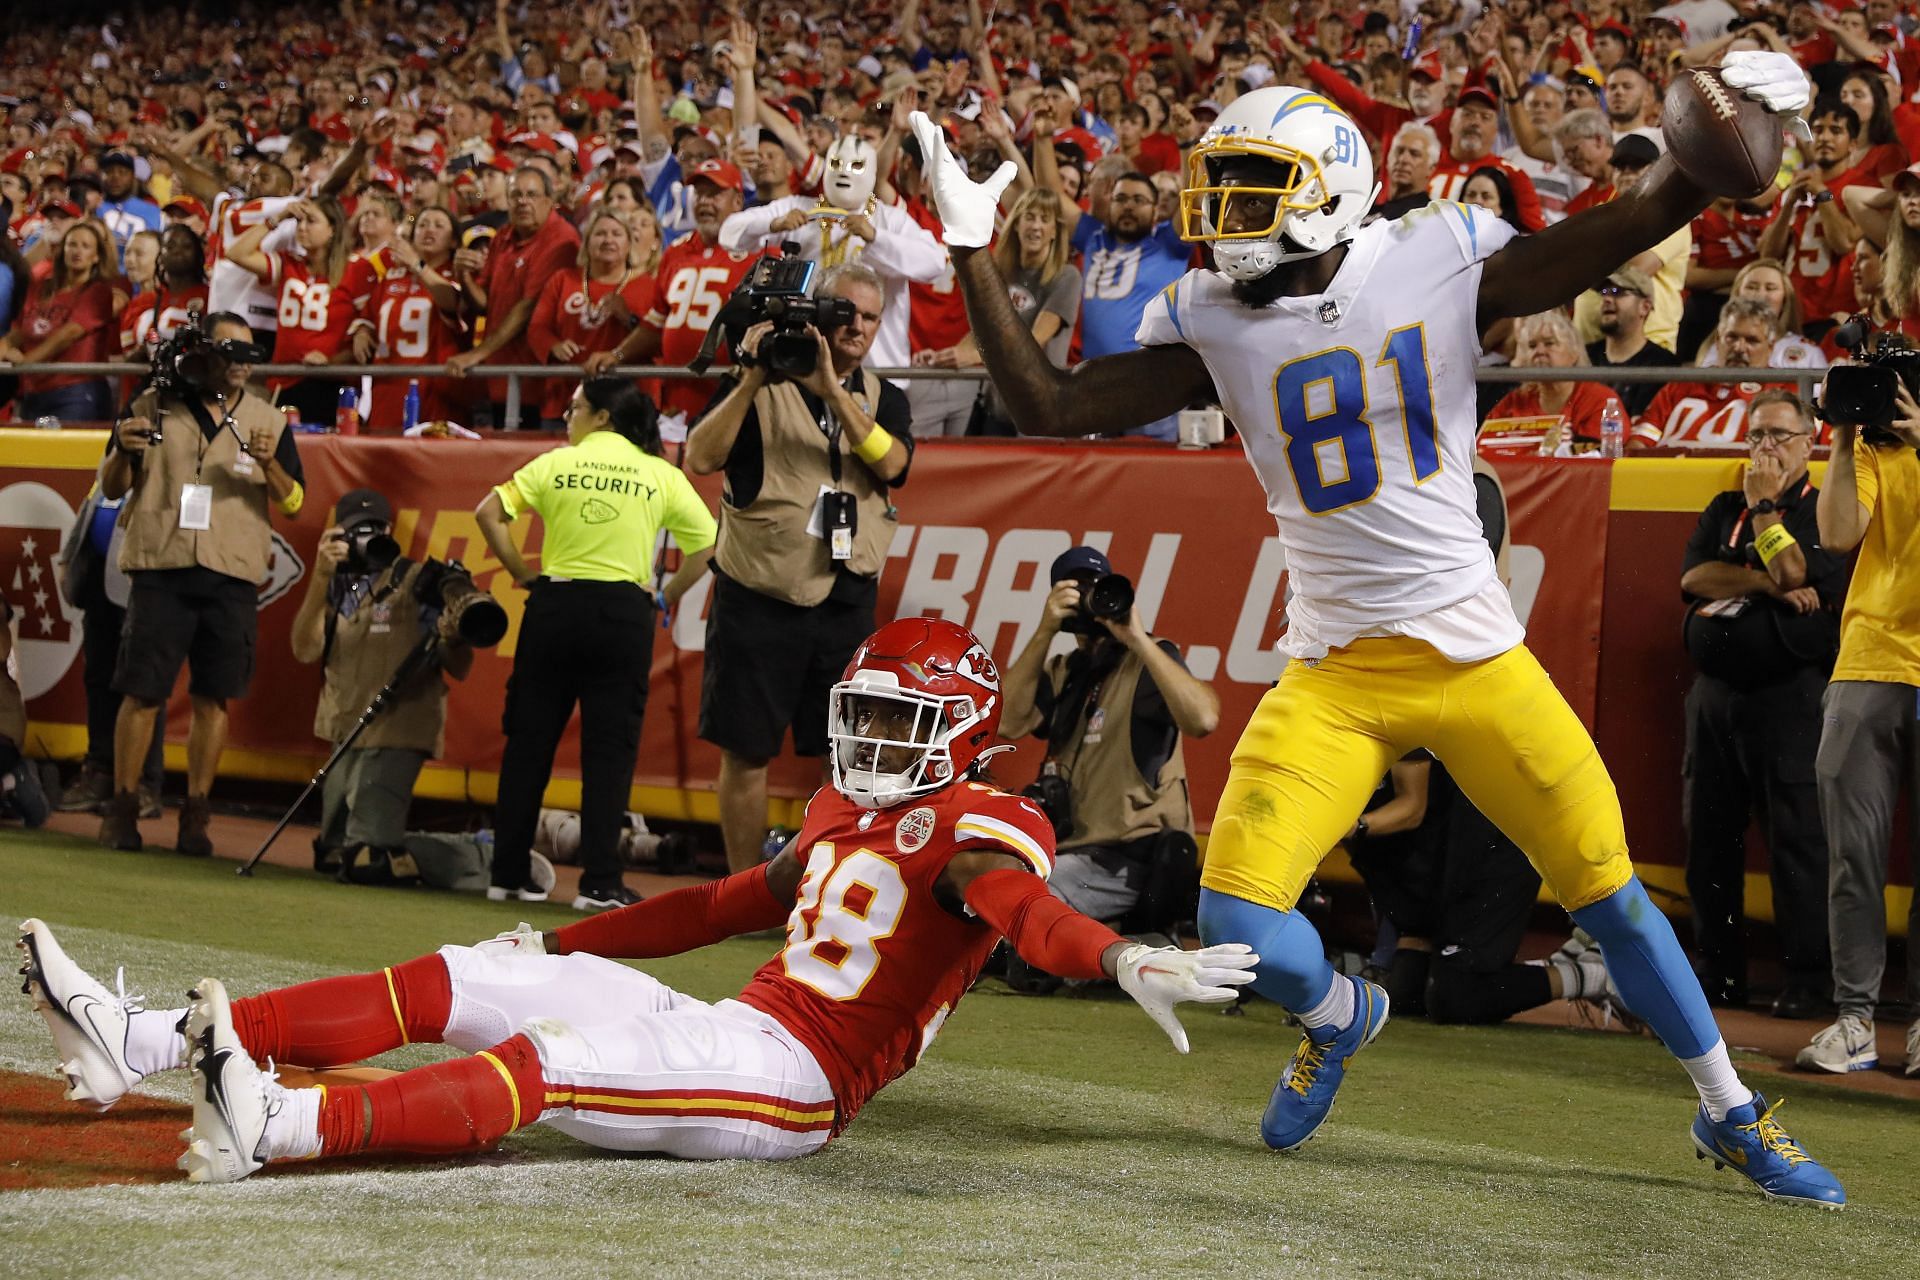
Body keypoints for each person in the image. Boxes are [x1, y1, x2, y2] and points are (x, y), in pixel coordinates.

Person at [916, 59, 1848, 1207]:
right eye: (1220, 186)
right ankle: (1338, 1011)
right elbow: (1049, 407)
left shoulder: (1435, 253)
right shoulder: (1210, 311)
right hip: (1337, 672)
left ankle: (1731, 1112)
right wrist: (969, 246)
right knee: (1234, 921)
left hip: (1475, 656)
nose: (1219, 214)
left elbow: (1637, 220)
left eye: (1253, 186)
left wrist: (1731, 138)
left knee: (1611, 892)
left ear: (1330, 190)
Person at [17, 618, 1256, 1181]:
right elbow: (712, 904)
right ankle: (133, 1045)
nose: (871, 739)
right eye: (861, 715)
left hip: (795, 1087)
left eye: (898, 721)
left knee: (553, 1054)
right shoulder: (840, 811)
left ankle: (281, 1128)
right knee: (483, 973)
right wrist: (562, 936)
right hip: (748, 1019)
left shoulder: (989, 828)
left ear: (961, 731)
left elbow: (1019, 907)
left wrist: (1115, 957)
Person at [685, 262, 910, 875]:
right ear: (814, 314)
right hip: (758, 593)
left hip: (844, 598)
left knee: (841, 759)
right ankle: (740, 890)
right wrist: (755, 375)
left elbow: (892, 466)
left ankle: (824, 886)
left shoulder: (885, 397)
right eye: (845, 312)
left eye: (869, 317)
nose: (856, 327)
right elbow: (699, 456)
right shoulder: (758, 386)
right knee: (746, 751)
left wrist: (834, 390)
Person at [475, 377, 715, 910]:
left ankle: (507, 874)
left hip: (554, 607)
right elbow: (708, 544)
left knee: (527, 746)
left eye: (576, 406)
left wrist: (520, 572)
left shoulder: (554, 464)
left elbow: (486, 513)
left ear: (603, 417)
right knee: (609, 753)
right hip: (622, 613)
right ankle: (599, 882)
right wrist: (665, 595)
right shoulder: (659, 473)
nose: (567, 414)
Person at [96, 312, 304, 857]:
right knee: (142, 691)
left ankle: (197, 815)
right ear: (203, 351)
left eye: (248, 354)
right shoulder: (151, 404)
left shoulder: (268, 419)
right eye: (229, 352)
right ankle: (122, 807)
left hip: (230, 569)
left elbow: (295, 499)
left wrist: (268, 466)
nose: (240, 364)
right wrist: (122, 447)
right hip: (162, 563)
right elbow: (112, 488)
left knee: (215, 698)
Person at [1679, 391, 1843, 1018]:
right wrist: (1761, 580)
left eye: (1778, 436)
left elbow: (1799, 571)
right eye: (1755, 437)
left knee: (1798, 840)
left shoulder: (1820, 508)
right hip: (1716, 696)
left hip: (1790, 694)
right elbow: (1694, 580)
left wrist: (1767, 513)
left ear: (1810, 443)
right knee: (1709, 839)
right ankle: (1718, 977)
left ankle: (1808, 981)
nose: (1764, 449)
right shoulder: (1724, 507)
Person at [999, 547, 1220, 965]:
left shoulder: (1148, 662)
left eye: (1093, 588)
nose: (1085, 599)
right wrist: (1044, 631)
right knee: (999, 884)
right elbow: (1007, 724)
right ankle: (1109, 946)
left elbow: (1204, 719)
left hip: (1130, 858)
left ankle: (1102, 945)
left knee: (1024, 896)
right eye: (1072, 589)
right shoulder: (1065, 670)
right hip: (1068, 855)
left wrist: (1136, 636)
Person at [1802, 371, 1920, 1080]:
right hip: (1870, 659)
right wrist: (1843, 434)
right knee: (1853, 855)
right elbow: (1838, 533)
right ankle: (1856, 1019)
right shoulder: (1872, 446)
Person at [289, 488, 476, 884]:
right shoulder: (335, 584)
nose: (365, 540)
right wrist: (321, 576)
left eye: (374, 530)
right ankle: (403, 847)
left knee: (368, 858)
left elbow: (459, 666)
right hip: (346, 731)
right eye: (354, 532)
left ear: (390, 530)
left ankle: (480, 856)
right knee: (333, 853)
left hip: (396, 729)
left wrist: (451, 634)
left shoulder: (419, 581)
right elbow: (304, 650)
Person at [718, 133, 946, 377]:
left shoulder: (890, 219)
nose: (845, 173)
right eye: (836, 164)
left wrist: (875, 237)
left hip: (877, 365)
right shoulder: (800, 207)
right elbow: (729, 233)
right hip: (805, 361)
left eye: (856, 166)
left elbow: (933, 263)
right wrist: (774, 224)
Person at [583, 158, 760, 436]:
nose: (704, 202)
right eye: (700, 194)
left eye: (715, 194)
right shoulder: (676, 252)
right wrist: (618, 354)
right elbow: (657, 324)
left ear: (737, 201)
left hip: (732, 396)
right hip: (677, 400)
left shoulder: (759, 253)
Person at [448, 166, 581, 429]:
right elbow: (485, 302)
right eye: (516, 195)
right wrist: (463, 276)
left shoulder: (561, 240)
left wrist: (477, 354)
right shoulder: (504, 236)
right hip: (500, 375)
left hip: (540, 383)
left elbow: (528, 308)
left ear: (549, 200)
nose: (523, 202)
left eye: (532, 195)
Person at [946, 186, 1082, 438]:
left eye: (1045, 219)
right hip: (996, 406)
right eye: (1029, 217)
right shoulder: (999, 273)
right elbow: (980, 331)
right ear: (1016, 224)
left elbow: (1035, 340)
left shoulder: (1067, 277)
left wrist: (975, 356)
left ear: (1055, 231)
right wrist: (946, 356)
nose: (1036, 226)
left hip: (1042, 410)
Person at [224, 197, 356, 427]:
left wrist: (332, 361)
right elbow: (236, 253)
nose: (302, 227)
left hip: (327, 382)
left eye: (311, 221)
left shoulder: (354, 270)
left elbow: (364, 333)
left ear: (332, 229)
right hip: (283, 380)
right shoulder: (289, 264)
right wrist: (276, 219)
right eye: (299, 221)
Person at [527, 209, 657, 427]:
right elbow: (537, 327)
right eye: (600, 234)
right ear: (586, 242)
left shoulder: (648, 286)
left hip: (624, 402)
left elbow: (655, 339)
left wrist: (628, 318)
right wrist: (553, 345)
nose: (608, 240)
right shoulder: (563, 279)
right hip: (564, 398)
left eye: (616, 234)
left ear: (628, 244)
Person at [353, 206, 467, 431]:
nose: (428, 230)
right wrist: (362, 331)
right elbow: (370, 315)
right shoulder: (392, 276)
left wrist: (417, 265)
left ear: (453, 241)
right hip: (387, 387)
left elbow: (452, 302)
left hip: (434, 390)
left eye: (438, 225)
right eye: (422, 224)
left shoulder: (455, 274)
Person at [0, 218, 123, 423]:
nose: (77, 251)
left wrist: (26, 362)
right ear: (62, 249)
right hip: (34, 391)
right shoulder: (40, 286)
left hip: (76, 393)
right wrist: (4, 348)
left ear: (96, 257)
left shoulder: (98, 292)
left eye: (85, 246)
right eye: (72, 244)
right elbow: (18, 331)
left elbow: (67, 335)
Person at [1633, 300, 1780, 450]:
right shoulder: (1681, 385)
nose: (1739, 347)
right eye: (1732, 337)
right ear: (1717, 340)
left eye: (1751, 340)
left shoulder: (1783, 392)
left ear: (1770, 347)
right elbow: (1640, 442)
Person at [1477, 311, 1626, 456]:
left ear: (1574, 353)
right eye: (1532, 346)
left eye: (1549, 343)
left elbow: (1602, 456)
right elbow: (1483, 450)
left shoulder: (1600, 400)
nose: (1540, 351)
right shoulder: (1514, 402)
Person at [1586, 267, 1676, 419]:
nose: (1607, 299)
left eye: (1617, 292)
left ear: (1644, 307)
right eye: (1604, 293)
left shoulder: (1662, 364)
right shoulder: (1584, 356)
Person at [1377, 124, 1440, 221]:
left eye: (1414, 154)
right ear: (1388, 160)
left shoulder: (1429, 218)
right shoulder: (1367, 211)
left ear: (1431, 168)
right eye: (1399, 151)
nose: (1403, 159)